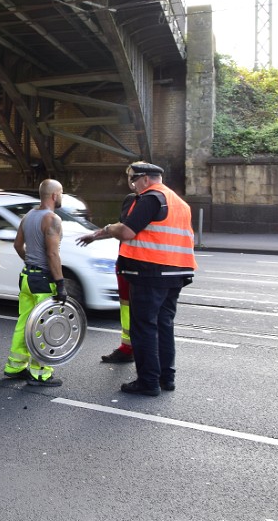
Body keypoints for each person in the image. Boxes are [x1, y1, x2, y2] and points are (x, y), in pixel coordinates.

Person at [76, 162, 197, 396]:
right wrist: (95, 235)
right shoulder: (178, 202)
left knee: (143, 328)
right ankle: (166, 378)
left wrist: (107, 229)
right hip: (176, 273)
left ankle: (148, 382)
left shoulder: (150, 198)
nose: (131, 184)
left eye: (132, 179)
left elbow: (127, 231)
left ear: (144, 179)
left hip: (149, 272)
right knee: (164, 326)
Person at [3, 178, 67, 386]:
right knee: (44, 326)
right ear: (54, 195)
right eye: (62, 193)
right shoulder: (52, 219)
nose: (62, 196)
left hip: (27, 278)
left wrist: (30, 262)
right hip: (42, 281)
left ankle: (15, 366)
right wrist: (60, 283)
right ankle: (40, 373)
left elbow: (17, 245)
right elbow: (52, 254)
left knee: (25, 322)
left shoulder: (29, 216)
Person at [98, 193, 137, 364]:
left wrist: (103, 231)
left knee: (129, 308)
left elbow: (123, 229)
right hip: (153, 266)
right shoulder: (169, 201)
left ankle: (130, 349)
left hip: (132, 264)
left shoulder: (136, 200)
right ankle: (128, 347)